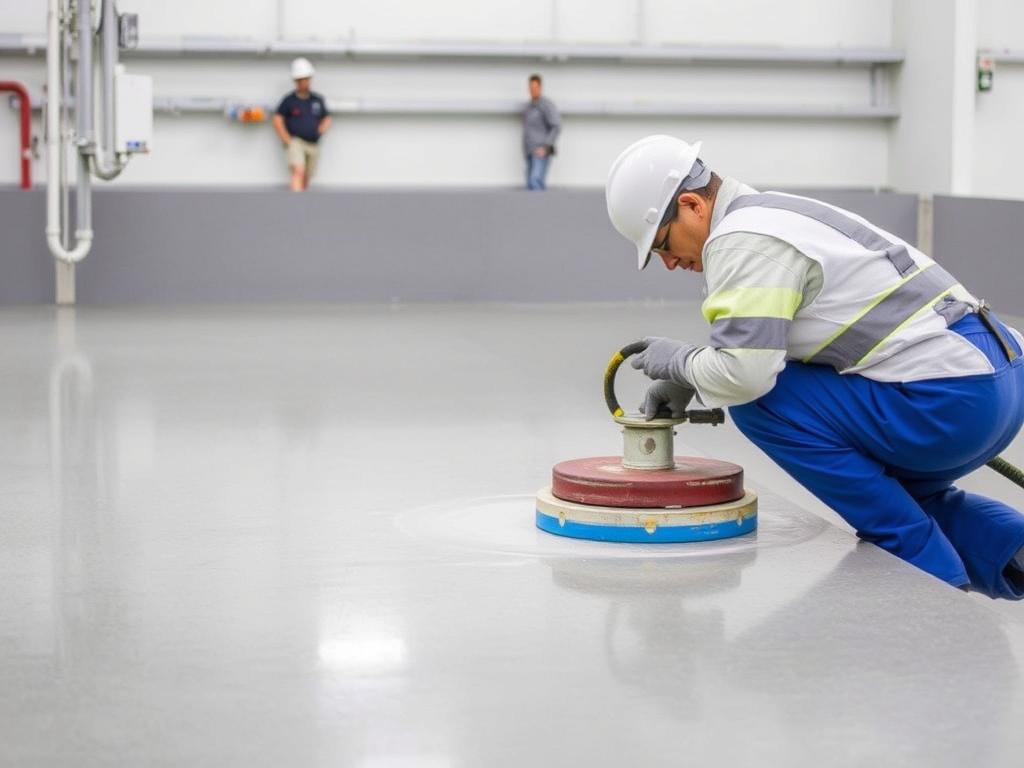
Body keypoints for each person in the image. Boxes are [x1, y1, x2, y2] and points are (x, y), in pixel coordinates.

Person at [604, 134, 1024, 599]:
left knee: (760, 401)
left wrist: (682, 362)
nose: (668, 263)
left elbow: (747, 374)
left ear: (692, 205)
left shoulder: (740, 242)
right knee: (897, 493)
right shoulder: (774, 213)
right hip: (999, 382)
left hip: (951, 399)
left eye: (662, 244)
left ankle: (926, 579)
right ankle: (1014, 554)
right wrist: (695, 378)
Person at [273, 58, 332, 192]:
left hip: (313, 144)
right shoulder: (289, 101)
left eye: (306, 78)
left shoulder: (317, 100)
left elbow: (326, 117)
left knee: (306, 175)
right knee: (298, 170)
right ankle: (294, 203)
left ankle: (302, 202)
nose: (303, 82)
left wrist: (321, 130)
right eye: (300, 79)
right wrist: (287, 139)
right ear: (295, 81)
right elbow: (277, 119)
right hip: (296, 142)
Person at [522, 74, 561, 191]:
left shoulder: (546, 105)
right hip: (529, 152)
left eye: (535, 87)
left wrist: (546, 147)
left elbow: (556, 126)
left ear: (540, 87)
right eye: (530, 88)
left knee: (535, 182)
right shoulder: (528, 107)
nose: (532, 90)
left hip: (540, 153)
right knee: (530, 185)